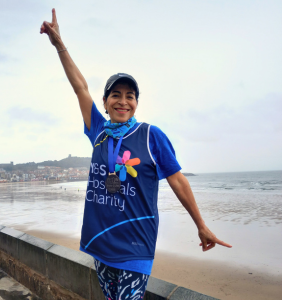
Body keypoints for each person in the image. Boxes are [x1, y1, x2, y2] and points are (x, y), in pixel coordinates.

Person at [40, 9, 232, 300]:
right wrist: (59, 45)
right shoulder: (98, 131)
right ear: (105, 102)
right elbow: (80, 86)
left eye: (130, 95)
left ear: (136, 103)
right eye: (116, 94)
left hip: (135, 244)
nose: (123, 100)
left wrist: (201, 225)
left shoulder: (151, 135)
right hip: (100, 240)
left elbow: (178, 181)